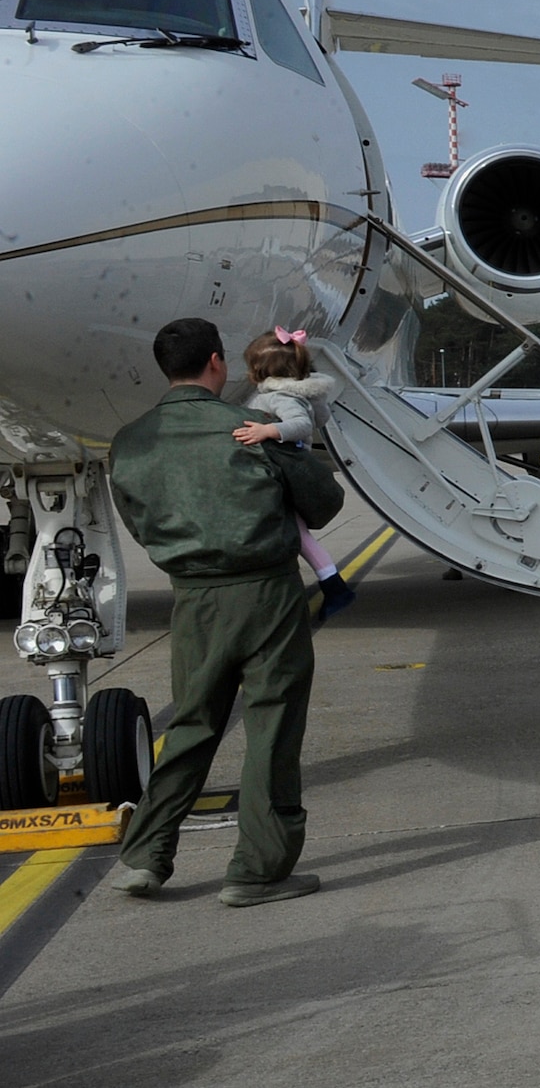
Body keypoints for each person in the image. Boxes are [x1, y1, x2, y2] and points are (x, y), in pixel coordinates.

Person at [104, 318, 345, 907]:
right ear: (217, 363)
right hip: (265, 594)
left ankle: (145, 856)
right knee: (271, 726)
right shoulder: (252, 428)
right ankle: (257, 872)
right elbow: (325, 502)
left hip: (193, 599)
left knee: (191, 725)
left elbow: (137, 520)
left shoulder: (131, 440)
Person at [229, 328, 352, 619]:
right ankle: (331, 586)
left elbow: (300, 425)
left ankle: (333, 588)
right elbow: (319, 417)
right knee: (297, 535)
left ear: (261, 372)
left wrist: (267, 430)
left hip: (283, 475)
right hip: (290, 473)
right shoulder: (301, 396)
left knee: (296, 535)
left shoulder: (277, 397)